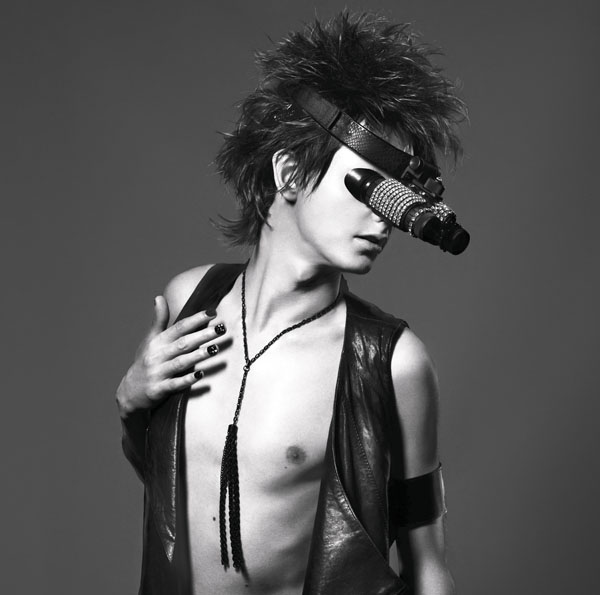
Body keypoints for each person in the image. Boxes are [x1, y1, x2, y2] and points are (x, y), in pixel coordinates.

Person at [116, 12, 467, 595]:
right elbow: (169, 484)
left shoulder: (393, 363)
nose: (385, 216)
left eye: (397, 196)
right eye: (368, 185)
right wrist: (131, 401)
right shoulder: (190, 301)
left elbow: (429, 565)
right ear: (290, 171)